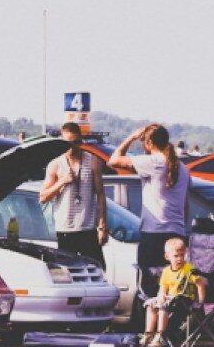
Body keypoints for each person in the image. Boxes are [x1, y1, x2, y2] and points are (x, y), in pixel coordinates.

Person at [108, 123, 192, 297]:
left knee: (150, 291)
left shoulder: (153, 162)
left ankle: (152, 315)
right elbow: (185, 204)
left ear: (149, 143)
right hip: (177, 233)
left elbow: (113, 160)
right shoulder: (183, 168)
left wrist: (132, 136)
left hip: (154, 234)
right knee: (174, 290)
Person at [40, 122, 108, 269]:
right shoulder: (56, 164)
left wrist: (102, 226)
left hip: (87, 230)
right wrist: (62, 181)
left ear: (81, 141)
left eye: (76, 142)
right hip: (66, 231)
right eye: (67, 143)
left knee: (98, 269)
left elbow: (101, 195)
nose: (72, 147)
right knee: (68, 273)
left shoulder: (93, 161)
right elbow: (43, 197)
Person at [142, 237, 206, 347]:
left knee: (163, 306)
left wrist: (200, 301)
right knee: (150, 305)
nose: (180, 259)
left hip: (184, 299)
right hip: (171, 298)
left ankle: (160, 335)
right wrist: (161, 296)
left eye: (182, 255)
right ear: (167, 257)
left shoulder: (189, 268)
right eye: (176, 256)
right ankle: (149, 334)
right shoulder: (166, 271)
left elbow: (200, 284)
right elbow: (163, 287)